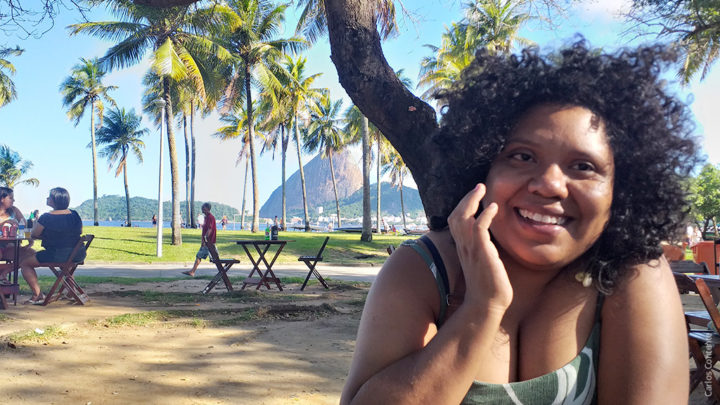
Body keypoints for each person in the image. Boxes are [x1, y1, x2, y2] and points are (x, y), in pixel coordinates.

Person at [340, 41, 695, 404]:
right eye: (523, 156)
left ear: (620, 189)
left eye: (583, 166)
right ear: (482, 168)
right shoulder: (425, 271)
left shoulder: (630, 275)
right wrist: (481, 308)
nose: (550, 185)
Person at [19, 187, 85, 304]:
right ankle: (71, 291)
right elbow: (79, 231)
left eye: (49, 197)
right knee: (66, 264)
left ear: (55, 200)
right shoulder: (74, 214)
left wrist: (46, 235)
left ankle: (37, 294)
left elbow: (34, 234)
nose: (47, 198)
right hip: (78, 254)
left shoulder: (47, 217)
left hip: (57, 255)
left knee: (25, 263)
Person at [182, 203, 216, 277]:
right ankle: (192, 271)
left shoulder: (210, 217)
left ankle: (192, 271)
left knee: (200, 256)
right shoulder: (206, 217)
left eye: (204, 208)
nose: (202, 210)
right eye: (202, 208)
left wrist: (205, 240)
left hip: (208, 242)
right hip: (207, 242)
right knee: (210, 257)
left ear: (207, 208)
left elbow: (210, 229)